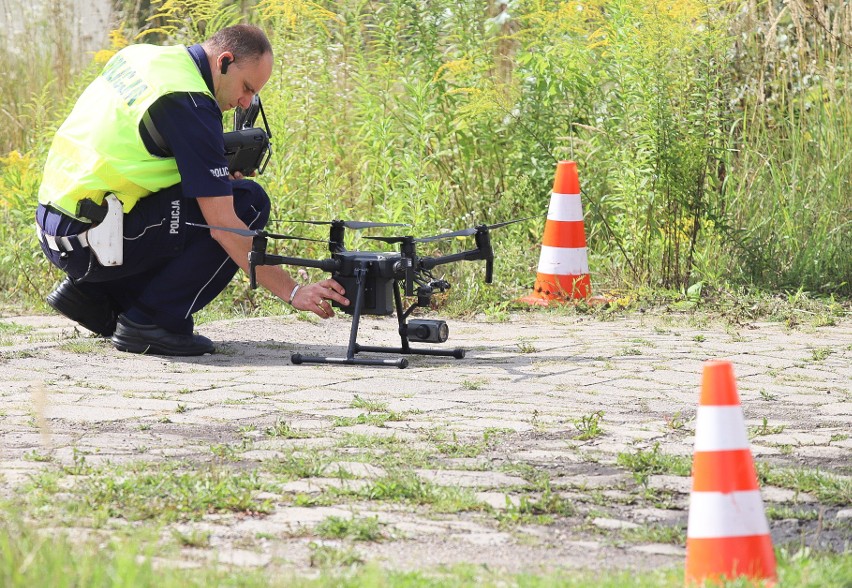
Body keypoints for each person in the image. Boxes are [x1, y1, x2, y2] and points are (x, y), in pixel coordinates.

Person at [36, 24, 348, 356]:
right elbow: (224, 226)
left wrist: (212, 173)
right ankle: (152, 323)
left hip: (59, 228)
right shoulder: (190, 103)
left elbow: (136, 150)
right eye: (246, 88)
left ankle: (95, 295)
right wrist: (294, 290)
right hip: (91, 241)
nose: (245, 103)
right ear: (224, 61)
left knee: (216, 194)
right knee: (247, 203)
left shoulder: (144, 57)